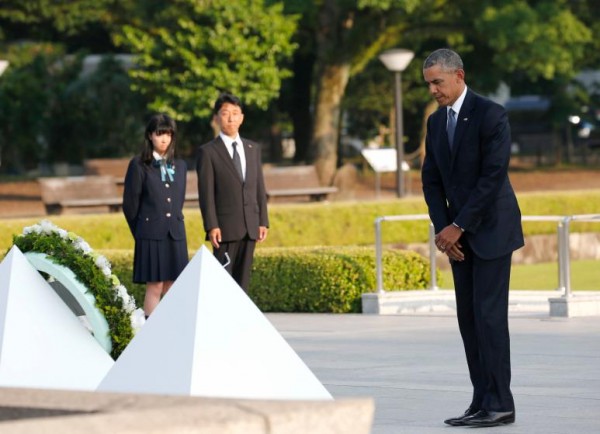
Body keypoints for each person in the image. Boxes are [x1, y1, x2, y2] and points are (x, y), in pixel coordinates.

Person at [421, 48, 524, 427]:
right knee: (469, 320)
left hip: (492, 232)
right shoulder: (435, 123)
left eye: (438, 82)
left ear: (459, 76)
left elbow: (492, 177)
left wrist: (458, 226)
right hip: (457, 239)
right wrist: (443, 230)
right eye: (429, 83)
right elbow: (431, 180)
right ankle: (482, 401)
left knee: (489, 318)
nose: (433, 89)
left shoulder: (491, 114)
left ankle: (501, 403)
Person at [196, 92, 269, 291]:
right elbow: (206, 193)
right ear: (216, 118)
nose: (231, 118)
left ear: (242, 117)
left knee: (243, 282)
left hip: (250, 225)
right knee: (223, 283)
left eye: (235, 113)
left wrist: (263, 220)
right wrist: (211, 225)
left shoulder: (253, 148)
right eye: (226, 113)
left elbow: (259, 187)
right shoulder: (208, 152)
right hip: (225, 229)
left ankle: (240, 322)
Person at [123, 113, 189, 318]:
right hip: (150, 233)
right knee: (155, 285)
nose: (164, 139)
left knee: (173, 284)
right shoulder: (139, 165)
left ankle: (169, 328)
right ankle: (150, 332)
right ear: (150, 135)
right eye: (160, 134)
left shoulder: (180, 166)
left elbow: (179, 199)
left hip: (175, 233)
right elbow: (130, 205)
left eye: (168, 134)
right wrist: (142, 232)